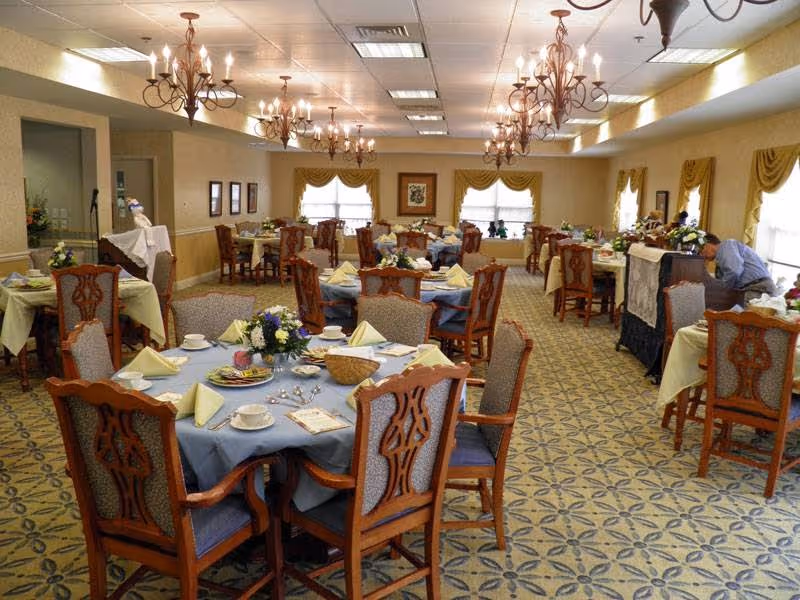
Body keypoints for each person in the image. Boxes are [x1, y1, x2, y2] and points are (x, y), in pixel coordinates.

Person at [700, 233, 777, 299]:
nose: (701, 254)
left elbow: (734, 271)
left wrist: (721, 290)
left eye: (701, 250)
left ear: (708, 244)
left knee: (731, 314)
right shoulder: (722, 256)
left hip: (758, 289)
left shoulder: (726, 245)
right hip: (756, 288)